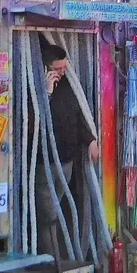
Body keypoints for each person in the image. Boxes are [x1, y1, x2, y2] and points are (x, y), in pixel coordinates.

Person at [37, 43, 100, 259]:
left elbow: (77, 113)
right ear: (46, 68)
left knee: (60, 210)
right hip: (43, 163)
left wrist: (90, 139)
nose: (62, 73)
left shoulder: (67, 85)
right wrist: (46, 93)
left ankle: (62, 255)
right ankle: (51, 259)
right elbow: (35, 120)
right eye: (58, 69)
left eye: (65, 68)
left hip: (67, 161)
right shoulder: (35, 85)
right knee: (48, 215)